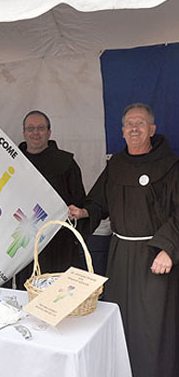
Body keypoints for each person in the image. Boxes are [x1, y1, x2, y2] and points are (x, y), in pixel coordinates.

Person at [69, 103, 179, 377]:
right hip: (120, 254)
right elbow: (99, 201)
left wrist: (168, 249)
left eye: (140, 123)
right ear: (121, 131)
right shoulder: (115, 164)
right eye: (129, 124)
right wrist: (84, 211)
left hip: (154, 257)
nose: (134, 128)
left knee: (152, 324)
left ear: (152, 129)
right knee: (118, 316)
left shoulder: (171, 166)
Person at [13, 110, 86, 289]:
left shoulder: (66, 162)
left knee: (59, 292)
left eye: (40, 128)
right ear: (24, 133)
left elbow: (79, 201)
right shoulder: (14, 162)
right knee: (28, 290)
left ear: (49, 132)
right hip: (26, 242)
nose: (35, 133)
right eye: (30, 128)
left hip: (59, 242)